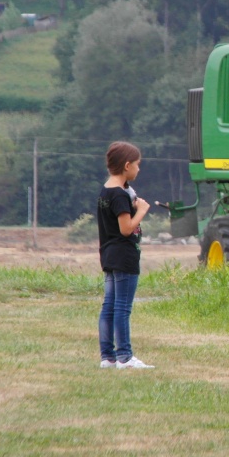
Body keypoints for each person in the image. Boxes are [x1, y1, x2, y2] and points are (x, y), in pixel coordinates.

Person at [97, 141, 154, 370]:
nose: (139, 169)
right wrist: (141, 210)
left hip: (109, 254)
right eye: (137, 165)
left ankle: (108, 357)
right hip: (124, 256)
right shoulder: (120, 195)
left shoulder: (105, 191)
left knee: (109, 305)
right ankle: (125, 357)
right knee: (122, 307)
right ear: (127, 165)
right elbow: (126, 228)